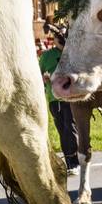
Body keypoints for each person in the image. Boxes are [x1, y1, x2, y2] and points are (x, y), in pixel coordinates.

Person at [39, 27, 79, 170]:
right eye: (57, 36)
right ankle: (70, 161)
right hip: (54, 98)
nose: (60, 38)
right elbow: (38, 73)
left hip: (71, 97)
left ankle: (75, 160)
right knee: (62, 129)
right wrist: (43, 78)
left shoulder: (72, 54)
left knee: (71, 127)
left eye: (63, 35)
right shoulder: (46, 56)